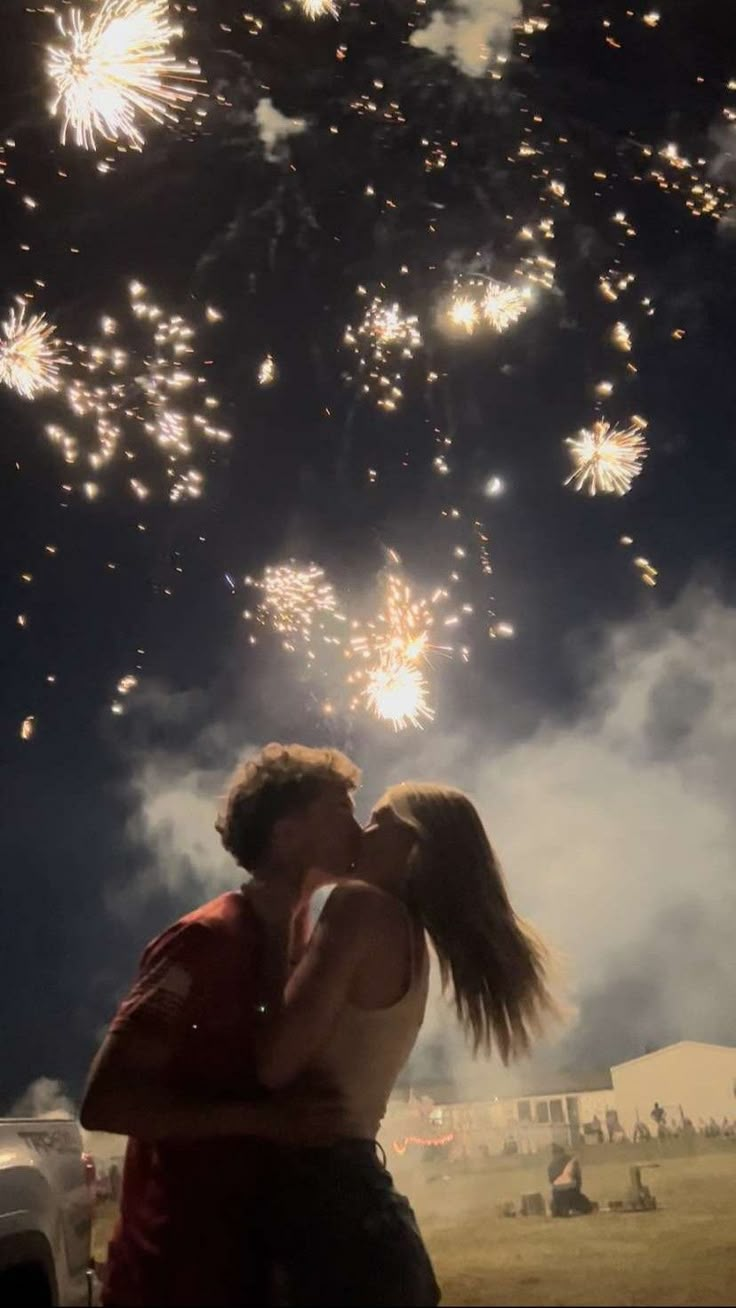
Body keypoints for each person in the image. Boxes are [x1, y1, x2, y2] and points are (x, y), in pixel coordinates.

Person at [80, 742, 363, 1308]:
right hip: (173, 1274)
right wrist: (264, 1121)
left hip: (254, 1268)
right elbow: (106, 1102)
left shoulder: (310, 941)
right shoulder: (204, 941)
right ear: (285, 835)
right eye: (340, 812)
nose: (358, 830)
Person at [253, 782, 557, 1306]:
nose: (363, 833)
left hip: (327, 1215)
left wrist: (294, 897)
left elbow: (273, 1062)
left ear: (413, 846)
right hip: (362, 1214)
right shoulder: (406, 932)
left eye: (379, 821)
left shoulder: (358, 908)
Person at [547, 1143, 594, 1217]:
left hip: (558, 1195)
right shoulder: (571, 1161)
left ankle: (562, 1210)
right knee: (587, 1207)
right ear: (563, 1152)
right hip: (571, 1193)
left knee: (556, 1207)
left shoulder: (551, 1165)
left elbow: (552, 1182)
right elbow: (578, 1179)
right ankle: (570, 1209)